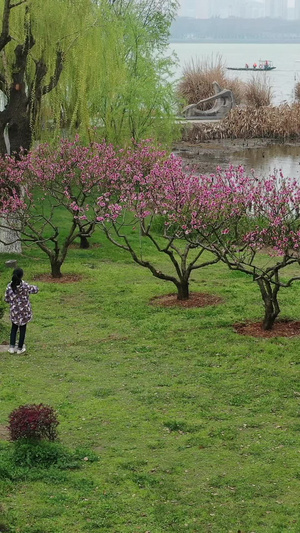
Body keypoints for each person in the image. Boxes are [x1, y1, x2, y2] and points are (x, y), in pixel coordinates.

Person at [4, 268, 39, 354]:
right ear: (22, 276)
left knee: (14, 328)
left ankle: (11, 347)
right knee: (23, 329)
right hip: (24, 312)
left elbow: (6, 299)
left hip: (14, 311)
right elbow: (35, 289)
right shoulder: (25, 286)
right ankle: (20, 348)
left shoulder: (9, 286)